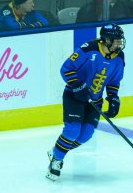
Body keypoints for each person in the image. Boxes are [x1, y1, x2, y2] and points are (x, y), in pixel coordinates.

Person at [46, 23, 126, 181]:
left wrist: (114, 98)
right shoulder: (89, 48)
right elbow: (66, 68)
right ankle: (56, 160)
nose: (119, 43)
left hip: (95, 101)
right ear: (106, 40)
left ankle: (57, 150)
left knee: (85, 136)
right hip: (74, 96)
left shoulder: (119, 57)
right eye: (116, 40)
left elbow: (113, 81)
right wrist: (78, 85)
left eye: (120, 40)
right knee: (72, 131)